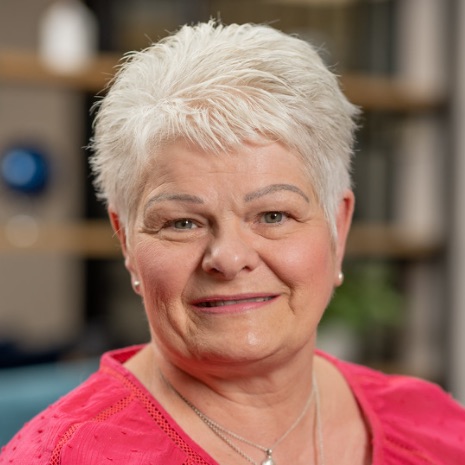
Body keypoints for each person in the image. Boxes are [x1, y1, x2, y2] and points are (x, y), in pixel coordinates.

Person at [1, 20, 464, 465]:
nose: (228, 258)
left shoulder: (439, 430)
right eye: (183, 223)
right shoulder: (57, 456)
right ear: (126, 242)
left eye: (273, 215)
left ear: (338, 228)